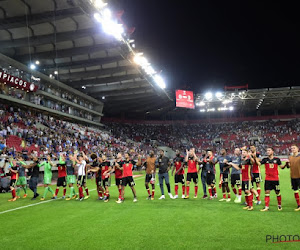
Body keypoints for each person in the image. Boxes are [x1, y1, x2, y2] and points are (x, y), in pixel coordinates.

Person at [260, 147, 285, 212]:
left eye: (269, 150)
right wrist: (254, 157)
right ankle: (266, 207)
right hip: (267, 179)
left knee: (277, 192)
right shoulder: (265, 159)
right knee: (267, 192)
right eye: (267, 150)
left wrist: (286, 164)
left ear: (272, 151)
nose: (267, 151)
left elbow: (281, 167)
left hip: (275, 179)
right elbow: (259, 164)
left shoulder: (277, 159)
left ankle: (279, 205)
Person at [285, 144, 300, 211]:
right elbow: (289, 167)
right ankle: (298, 205)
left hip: (299, 176)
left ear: (297, 149)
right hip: (293, 176)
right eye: (292, 148)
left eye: (294, 148)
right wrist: (287, 164)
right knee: (295, 190)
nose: (293, 149)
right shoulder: (290, 157)